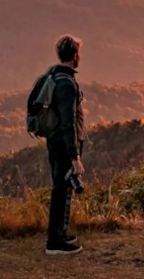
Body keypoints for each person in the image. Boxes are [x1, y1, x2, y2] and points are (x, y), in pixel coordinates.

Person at [41, 34, 85, 255]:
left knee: (64, 188)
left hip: (55, 141)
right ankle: (54, 242)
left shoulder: (56, 76)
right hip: (64, 144)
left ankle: (60, 232)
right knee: (60, 190)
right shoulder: (67, 84)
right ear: (75, 55)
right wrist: (75, 156)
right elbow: (68, 122)